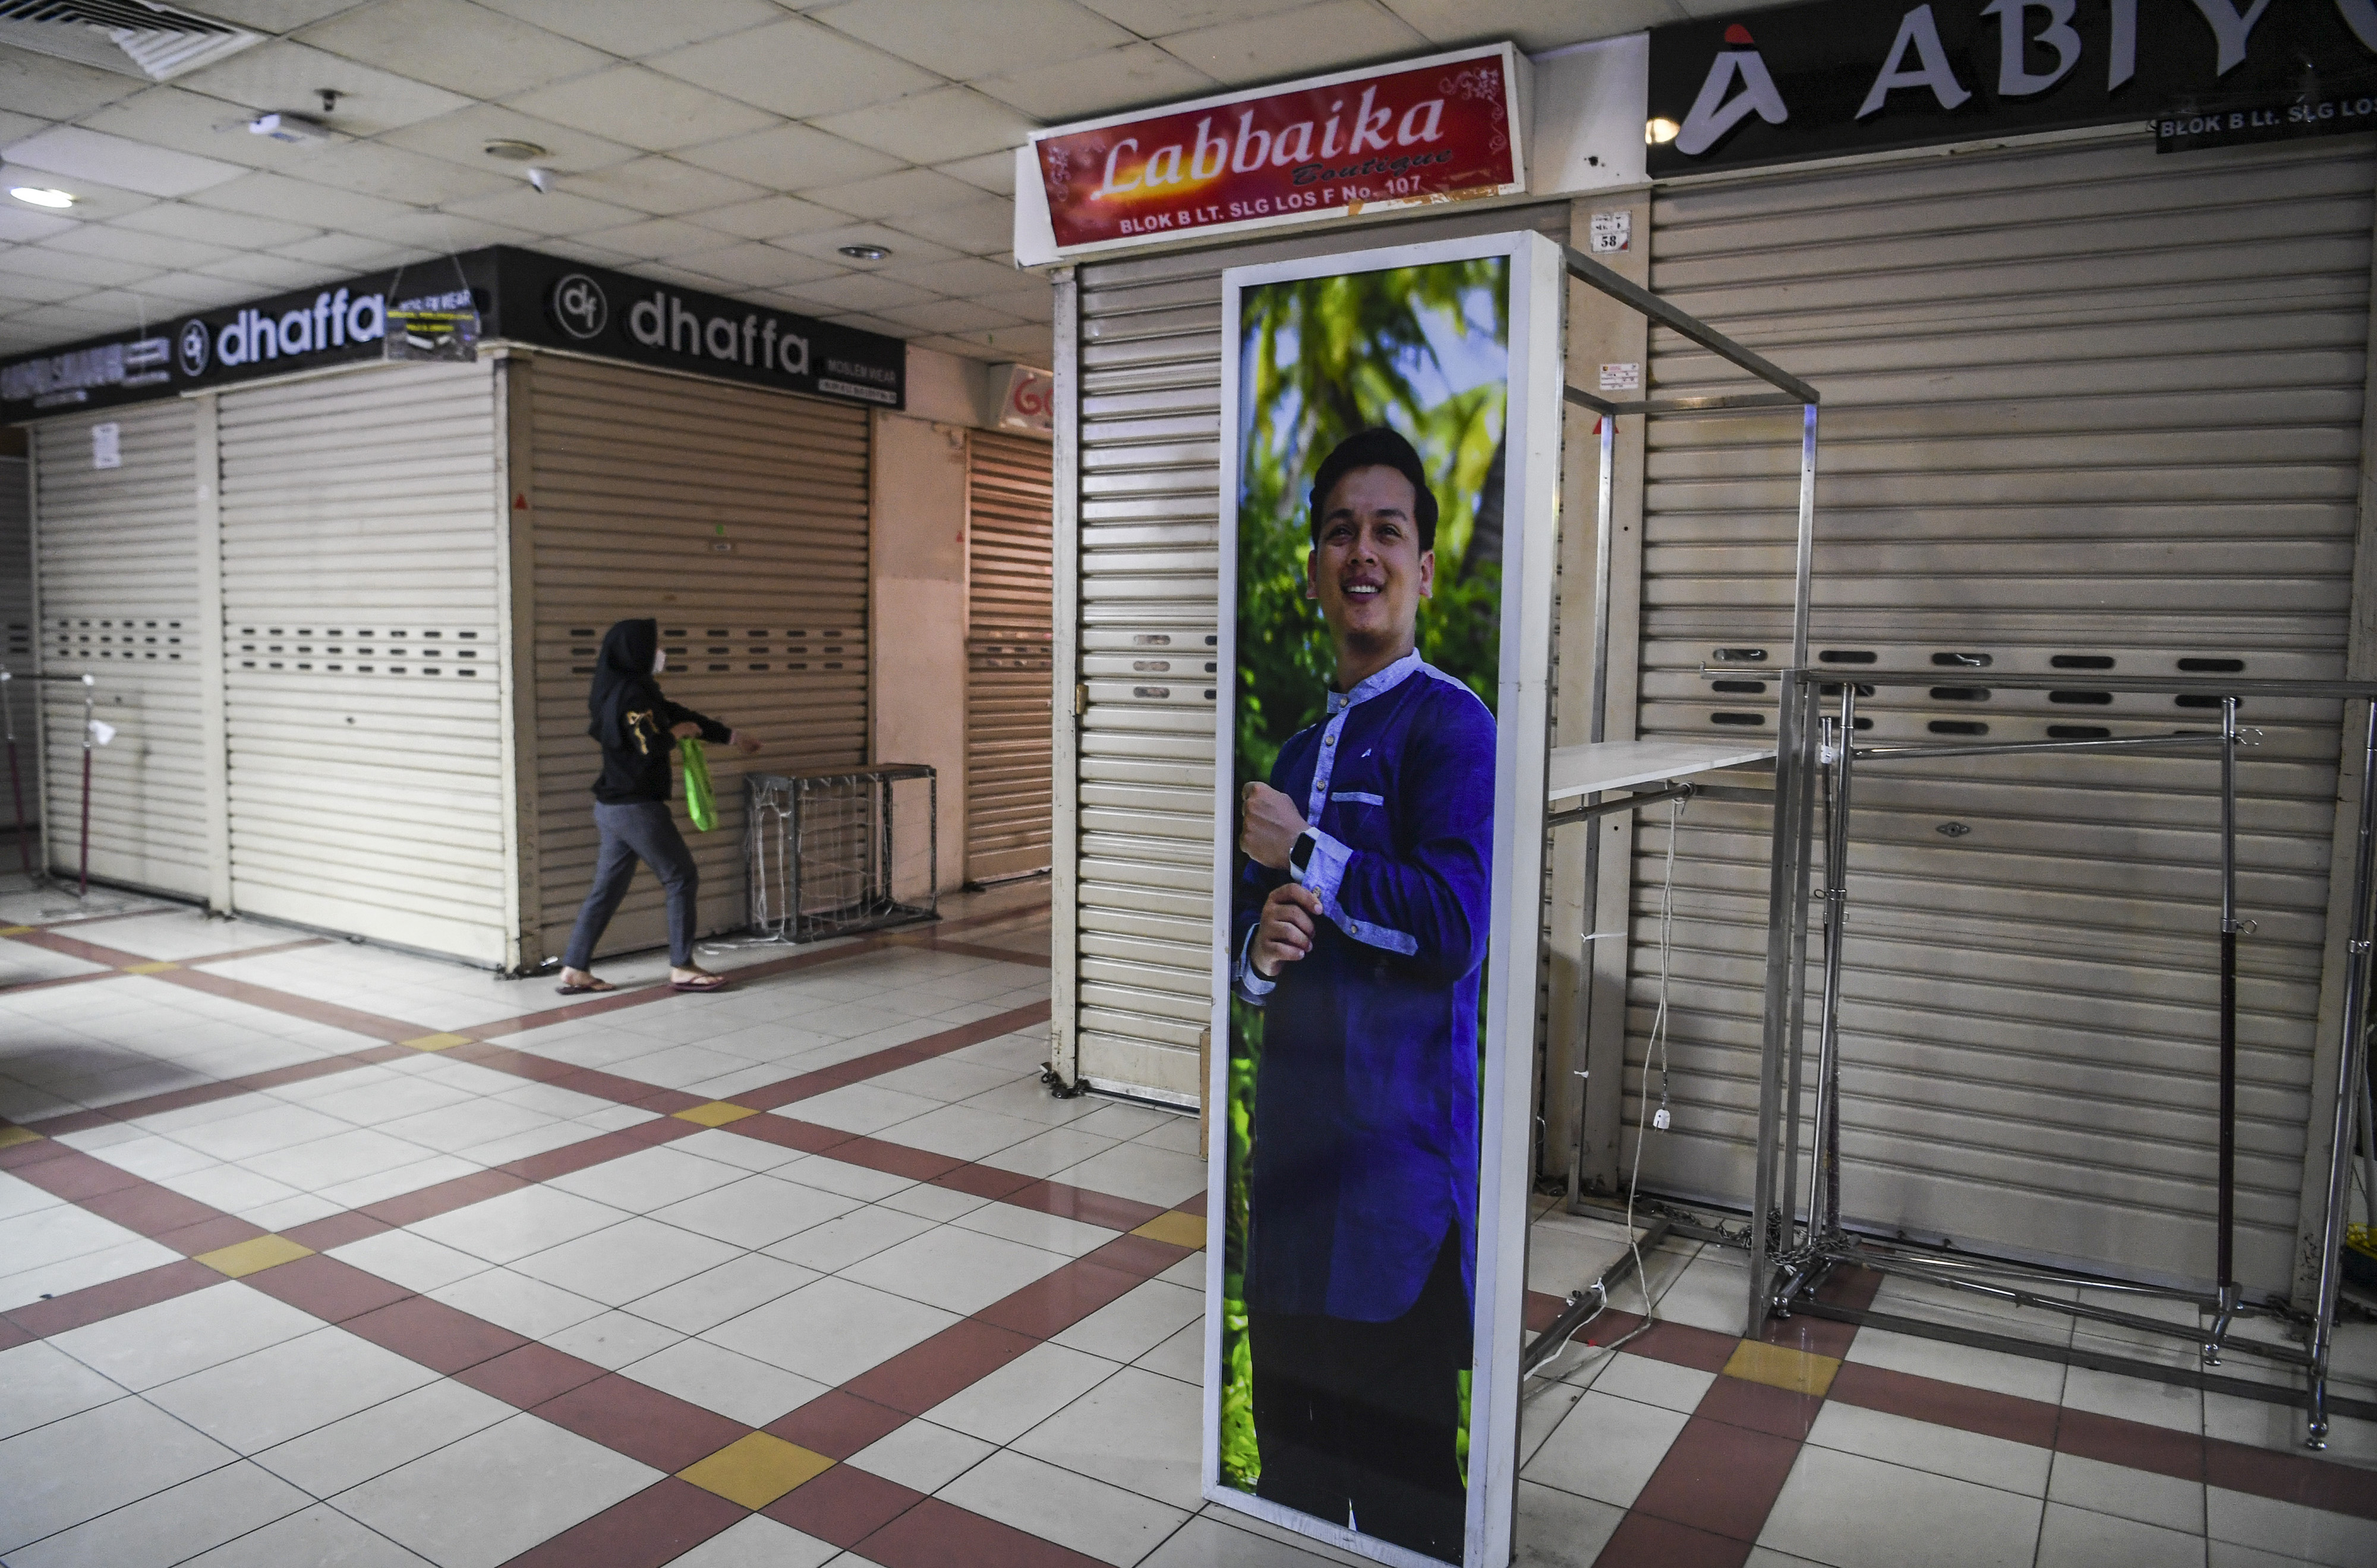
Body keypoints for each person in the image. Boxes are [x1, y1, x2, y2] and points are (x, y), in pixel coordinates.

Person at [1231, 426, 1496, 1560]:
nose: (1363, 551)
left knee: (1406, 1503)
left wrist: (1304, 853)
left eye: (1388, 530)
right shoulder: (1296, 755)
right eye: (1340, 531)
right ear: (1313, 569)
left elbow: (1453, 928)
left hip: (1397, 1201)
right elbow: (1250, 959)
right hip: (1292, 1195)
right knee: (1292, 1485)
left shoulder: (1453, 724)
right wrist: (1258, 950)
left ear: (1423, 567)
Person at [557, 617, 761, 995]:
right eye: (653, 646)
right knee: (680, 876)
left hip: (613, 806)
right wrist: (675, 735)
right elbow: (648, 745)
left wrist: (732, 736)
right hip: (637, 807)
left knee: (607, 889)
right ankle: (682, 967)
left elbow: (678, 714)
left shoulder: (619, 689)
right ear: (635, 652)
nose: (659, 653)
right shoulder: (631, 695)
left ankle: (575, 967)